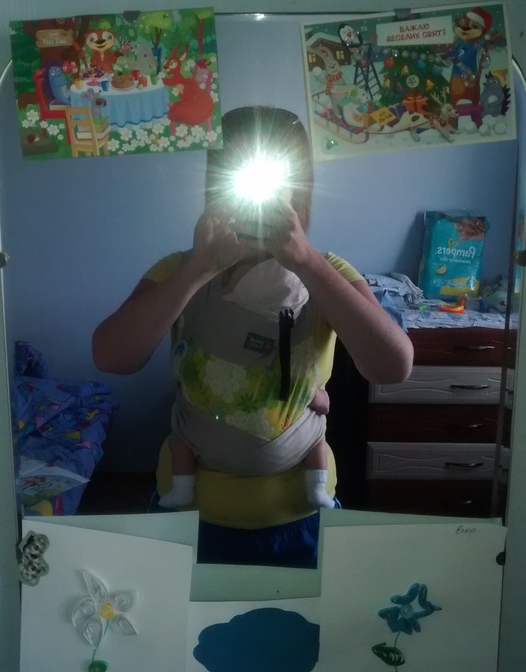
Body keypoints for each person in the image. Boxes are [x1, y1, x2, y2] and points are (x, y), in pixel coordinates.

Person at [92, 106, 413, 568]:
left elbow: (393, 366)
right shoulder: (180, 269)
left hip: (300, 517)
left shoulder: (329, 273)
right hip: (188, 516)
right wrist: (199, 268)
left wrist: (307, 262)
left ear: (298, 191)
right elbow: (111, 356)